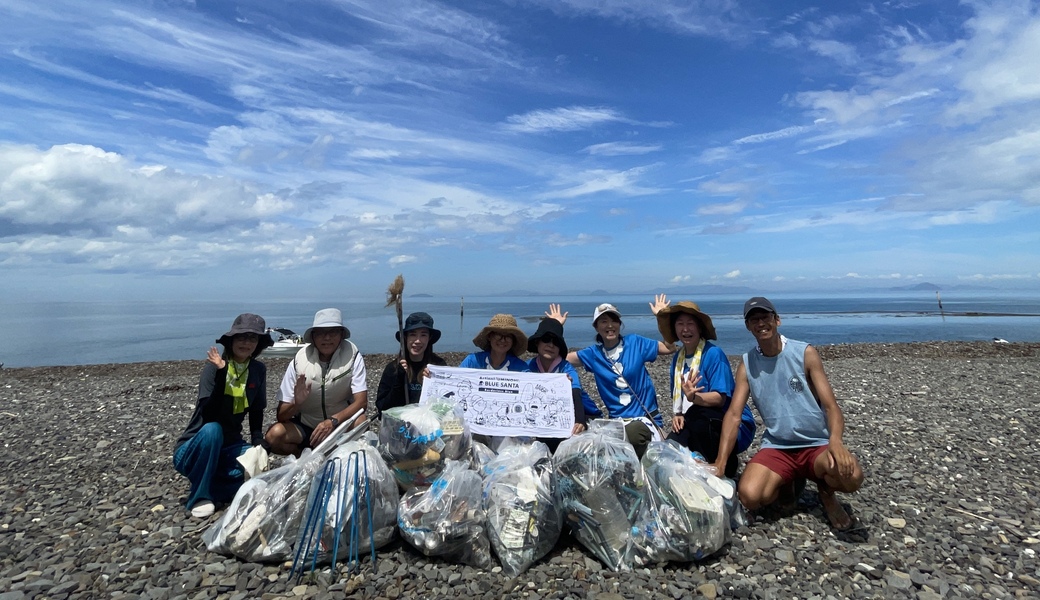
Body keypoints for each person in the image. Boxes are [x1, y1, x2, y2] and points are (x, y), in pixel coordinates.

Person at [714, 297, 864, 531]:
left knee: (851, 475)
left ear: (777, 320)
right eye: (754, 319)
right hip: (778, 446)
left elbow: (831, 406)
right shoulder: (746, 364)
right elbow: (734, 415)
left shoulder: (804, 353)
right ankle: (789, 481)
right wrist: (720, 464)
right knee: (749, 496)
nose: (760, 323)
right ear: (748, 327)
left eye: (765, 317)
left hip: (816, 443)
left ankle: (826, 492)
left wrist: (835, 442)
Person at [173, 313, 273, 518]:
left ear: (258, 344)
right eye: (241, 337)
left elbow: (256, 410)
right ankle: (199, 496)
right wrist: (222, 374)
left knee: (258, 469)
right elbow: (208, 413)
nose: (246, 342)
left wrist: (257, 441)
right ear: (232, 340)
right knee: (213, 430)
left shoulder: (257, 370)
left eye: (252, 338)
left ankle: (213, 485)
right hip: (195, 446)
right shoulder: (213, 368)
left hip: (229, 445)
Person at [548, 298, 675, 458]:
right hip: (616, 424)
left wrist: (662, 318)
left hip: (645, 421)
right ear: (596, 327)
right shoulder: (593, 354)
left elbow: (670, 347)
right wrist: (555, 328)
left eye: (614, 320)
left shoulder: (635, 343)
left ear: (619, 324)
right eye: (604, 321)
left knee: (632, 434)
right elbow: (557, 359)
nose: (610, 325)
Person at [654, 297, 756, 478]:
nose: (685, 329)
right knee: (671, 447)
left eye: (690, 324)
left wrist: (695, 398)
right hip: (696, 419)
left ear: (700, 327)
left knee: (698, 415)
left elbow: (720, 399)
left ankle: (726, 465)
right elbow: (679, 399)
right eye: (680, 324)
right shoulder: (677, 360)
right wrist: (678, 415)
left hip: (729, 423)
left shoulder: (713, 354)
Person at [264, 308, 368, 456]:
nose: (327, 338)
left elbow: (362, 403)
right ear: (313, 337)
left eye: (333, 332)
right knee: (274, 435)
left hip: (339, 424)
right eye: (320, 332)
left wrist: (333, 421)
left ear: (341, 335)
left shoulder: (352, 355)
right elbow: (281, 416)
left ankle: (343, 456)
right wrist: (297, 403)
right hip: (306, 425)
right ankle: (305, 458)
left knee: (361, 423)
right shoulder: (299, 360)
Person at [526, 317, 591, 452]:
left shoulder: (566, 368)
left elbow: (576, 394)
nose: (551, 345)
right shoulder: (528, 367)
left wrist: (580, 421)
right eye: (546, 339)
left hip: (582, 413)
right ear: (537, 342)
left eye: (556, 342)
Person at [375, 312, 447, 412]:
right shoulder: (393, 368)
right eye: (413, 334)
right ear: (405, 337)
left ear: (429, 338)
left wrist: (432, 381)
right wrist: (399, 380)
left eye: (423, 335)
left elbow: (446, 403)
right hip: (401, 424)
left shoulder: (438, 366)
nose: (417, 341)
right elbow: (382, 407)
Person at [459, 314, 530, 372]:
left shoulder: (521, 368)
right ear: (489, 337)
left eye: (508, 336)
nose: (502, 340)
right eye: (498, 335)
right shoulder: (472, 361)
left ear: (513, 340)